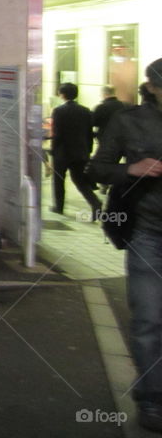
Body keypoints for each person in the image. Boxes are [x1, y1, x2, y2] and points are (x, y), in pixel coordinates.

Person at [89, 59, 162, 433]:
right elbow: (96, 168)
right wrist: (130, 170)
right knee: (149, 321)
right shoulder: (128, 121)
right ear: (151, 88)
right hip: (148, 235)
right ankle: (152, 401)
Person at [50, 82, 101, 219]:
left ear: (62, 94)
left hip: (63, 152)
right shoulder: (86, 111)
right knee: (80, 180)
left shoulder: (58, 111)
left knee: (59, 180)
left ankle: (58, 207)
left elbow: (57, 133)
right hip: (80, 152)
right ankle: (95, 202)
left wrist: (53, 149)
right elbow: (89, 133)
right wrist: (88, 150)